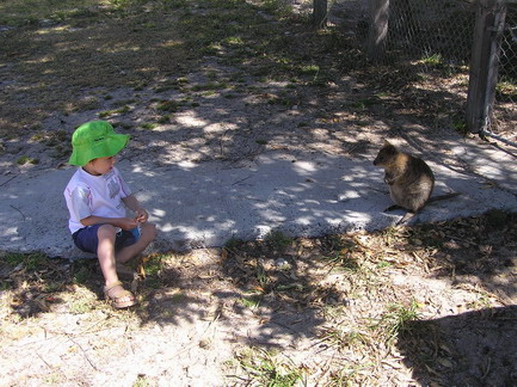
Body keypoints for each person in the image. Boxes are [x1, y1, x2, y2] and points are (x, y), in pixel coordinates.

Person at [64, 120, 156, 309]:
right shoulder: (79, 187)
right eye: (108, 158)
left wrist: (138, 209)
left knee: (150, 230)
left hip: (120, 227)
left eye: (113, 157)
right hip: (89, 233)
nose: (113, 161)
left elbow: (126, 195)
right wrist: (118, 222)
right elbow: (85, 219)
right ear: (90, 160)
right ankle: (112, 284)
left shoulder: (111, 172)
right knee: (106, 231)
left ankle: (115, 261)